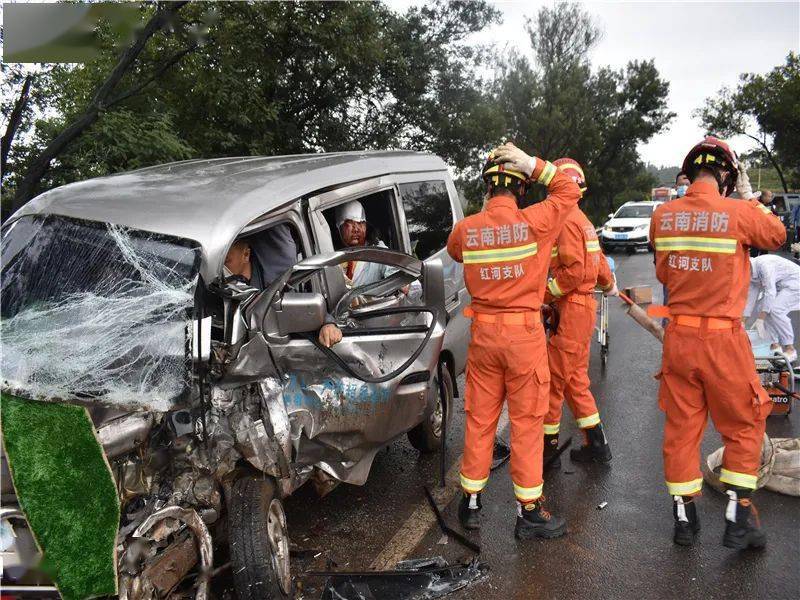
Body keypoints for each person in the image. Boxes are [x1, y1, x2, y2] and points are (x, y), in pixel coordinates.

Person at [650, 136, 785, 549]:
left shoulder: (664, 216)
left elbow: (662, 275)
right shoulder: (739, 212)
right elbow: (777, 234)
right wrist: (750, 196)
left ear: (689, 174)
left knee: (682, 429)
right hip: (723, 340)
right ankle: (739, 513)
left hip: (679, 340)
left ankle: (684, 518)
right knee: (744, 423)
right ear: (727, 176)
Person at [446, 142, 581, 540]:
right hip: (523, 337)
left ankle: (470, 501)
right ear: (521, 189)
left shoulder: (466, 229)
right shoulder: (537, 222)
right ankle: (529, 511)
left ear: (487, 188)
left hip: (484, 336)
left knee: (480, 419)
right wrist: (536, 165)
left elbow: (456, 252)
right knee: (525, 423)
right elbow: (569, 191)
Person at [542, 158, 619, 469]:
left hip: (571, 308)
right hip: (582, 308)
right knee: (575, 379)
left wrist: (545, 294)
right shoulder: (583, 220)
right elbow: (599, 266)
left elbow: (572, 273)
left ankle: (547, 451)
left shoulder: (565, 221)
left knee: (552, 380)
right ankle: (597, 444)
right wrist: (610, 285)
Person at [224, 240, 343, 348]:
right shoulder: (218, 288)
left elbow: (304, 309)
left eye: (226, 261)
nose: (222, 269)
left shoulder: (276, 284)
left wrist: (327, 324)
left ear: (246, 255)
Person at [746, 254, 800, 363]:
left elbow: (770, 292)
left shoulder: (764, 265)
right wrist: (742, 322)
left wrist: (761, 319)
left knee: (775, 309)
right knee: (760, 307)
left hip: (795, 284)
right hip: (782, 286)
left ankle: (790, 349)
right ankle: (775, 346)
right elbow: (751, 298)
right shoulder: (750, 273)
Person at [335, 200, 395, 287]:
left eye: (360, 223)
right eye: (349, 223)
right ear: (339, 227)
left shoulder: (378, 252)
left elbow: (403, 280)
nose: (356, 229)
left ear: (366, 226)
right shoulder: (331, 256)